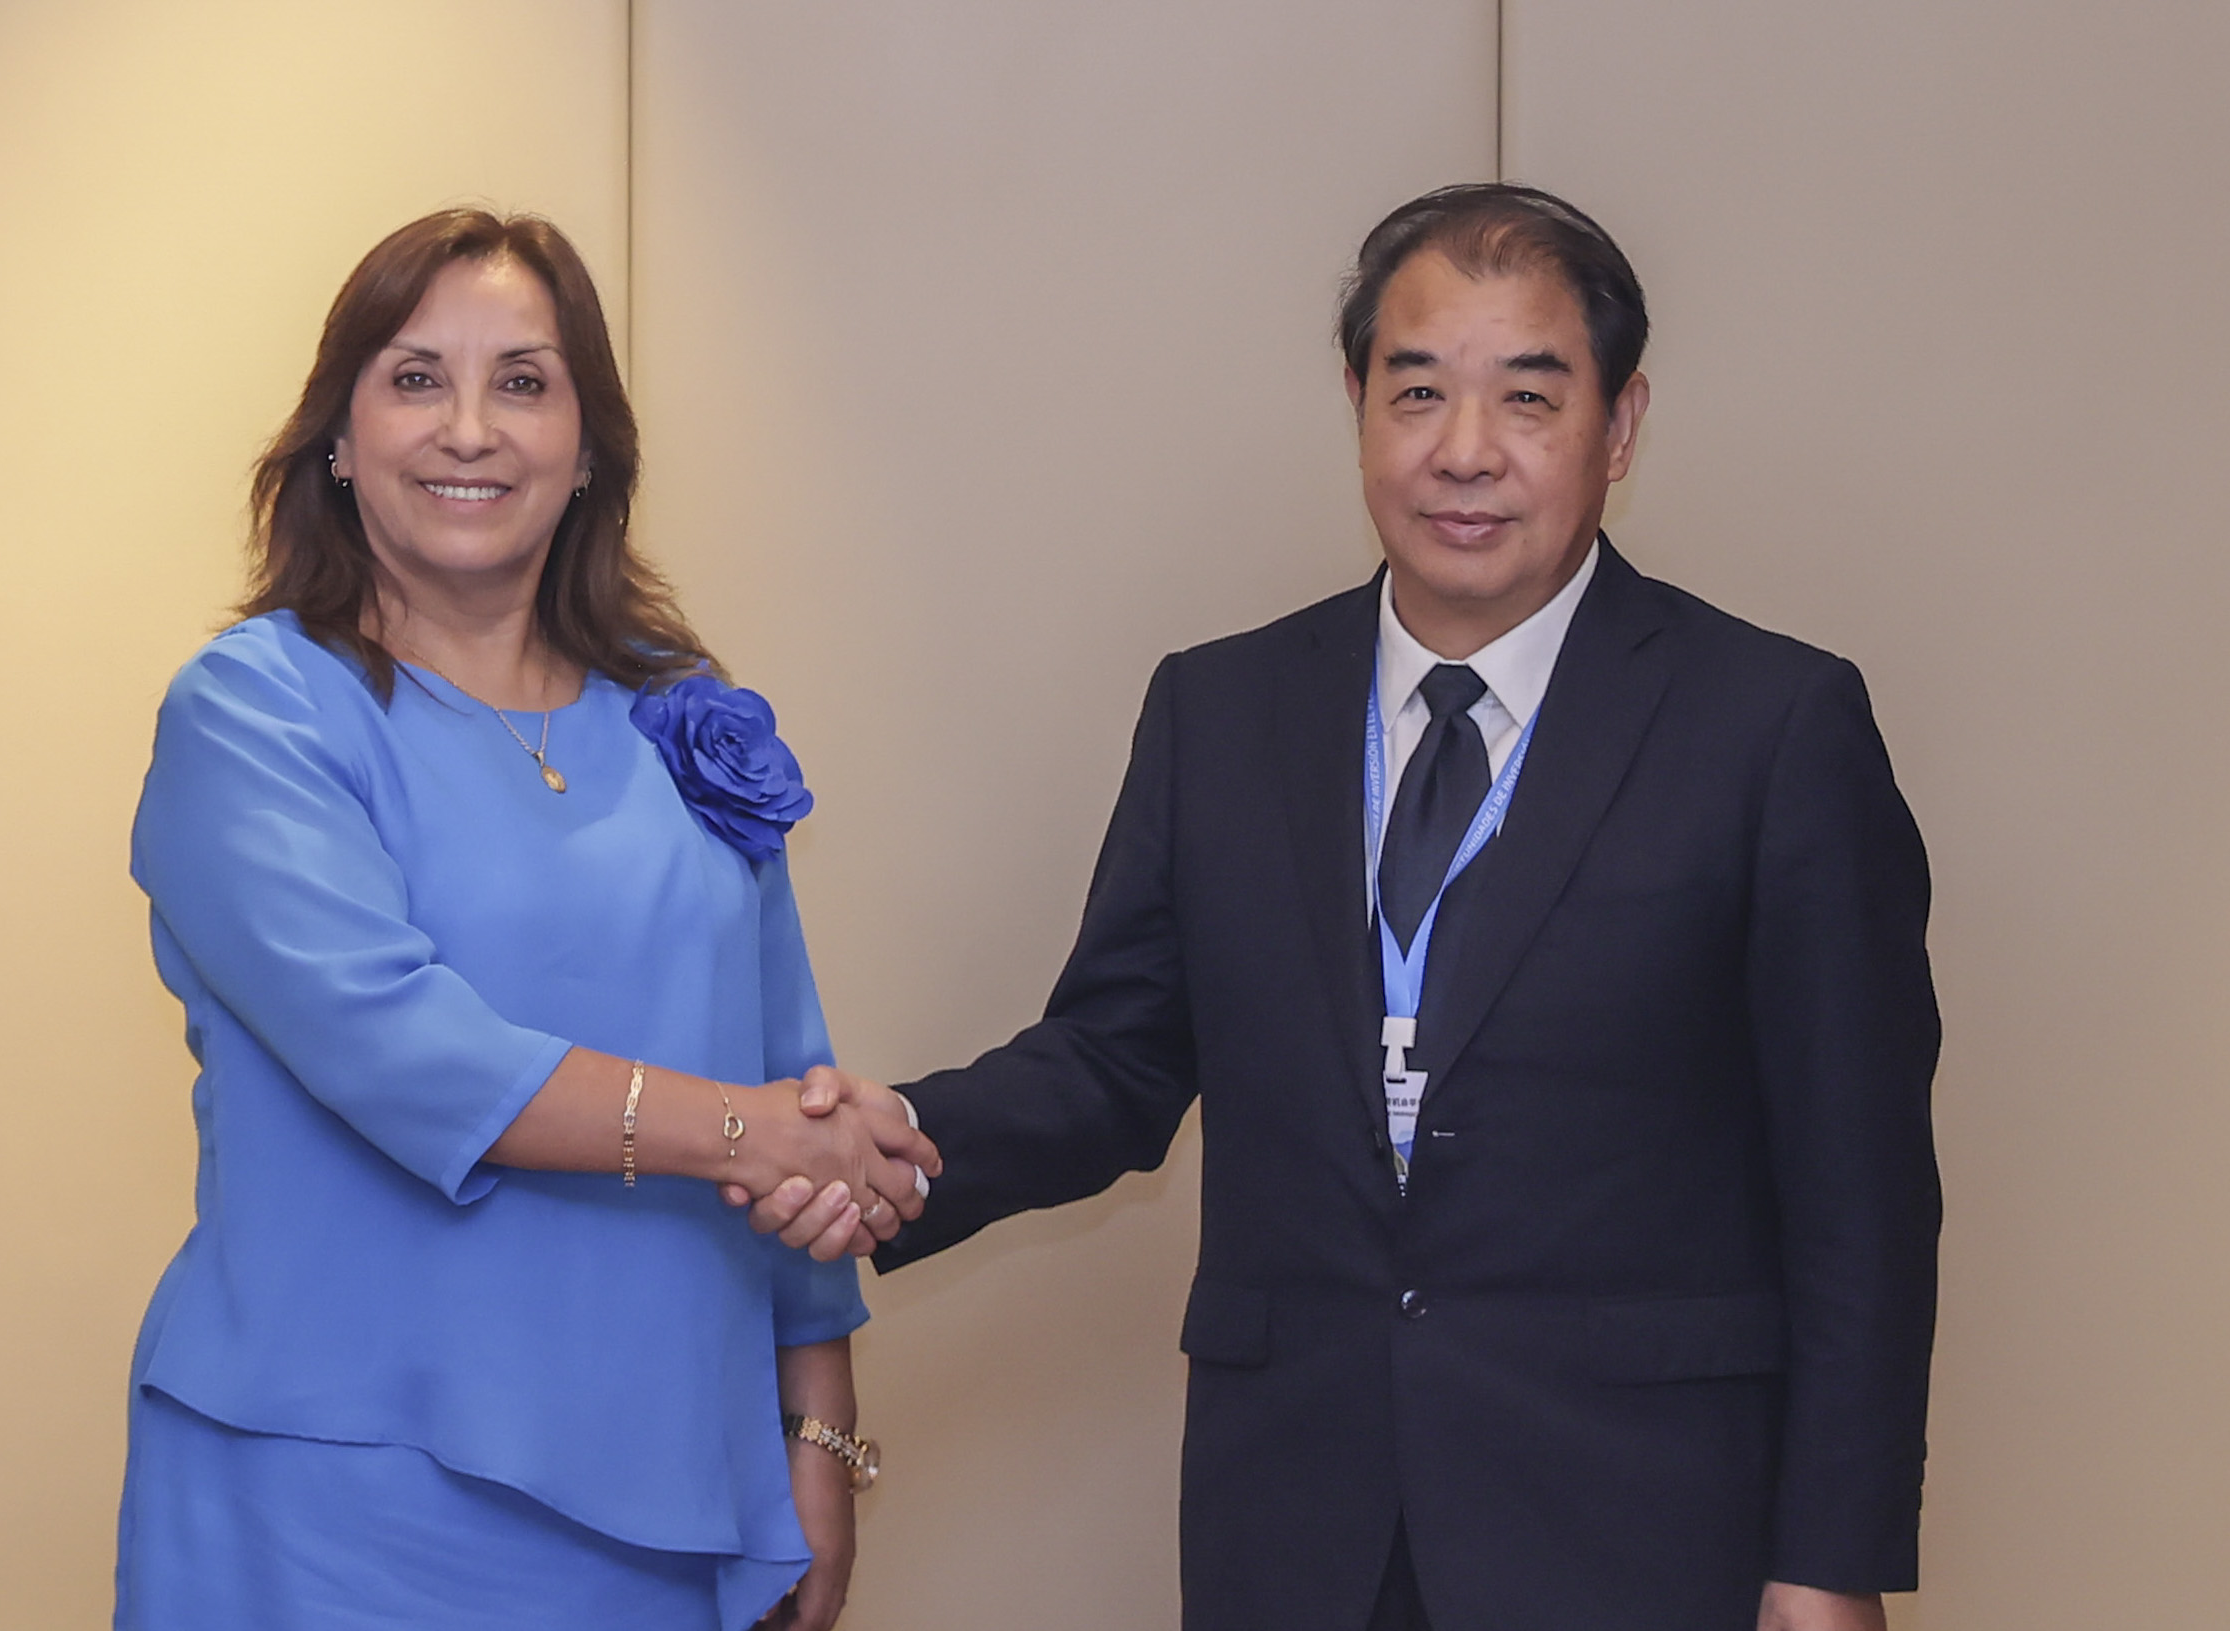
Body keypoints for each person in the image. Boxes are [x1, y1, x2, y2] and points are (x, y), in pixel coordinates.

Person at [737, 184, 1940, 1631]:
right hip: (1298, 1522)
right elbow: (1117, 1062)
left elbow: (1860, 1193)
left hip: (1640, 1525)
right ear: (1360, 403)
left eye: (1528, 399)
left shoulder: (1771, 723)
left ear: (1619, 429)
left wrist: (1829, 1558)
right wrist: (881, 1147)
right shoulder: (1223, 710)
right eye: (1418, 390)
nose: (1465, 452)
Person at [115, 208, 938, 1631]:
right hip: (334, 1497)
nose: (471, 429)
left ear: (589, 447)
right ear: (338, 433)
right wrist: (754, 1132)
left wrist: (818, 1428)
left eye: (524, 381)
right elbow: (402, 1049)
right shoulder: (256, 709)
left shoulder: (681, 712)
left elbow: (787, 1060)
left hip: (667, 1491)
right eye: (416, 377)